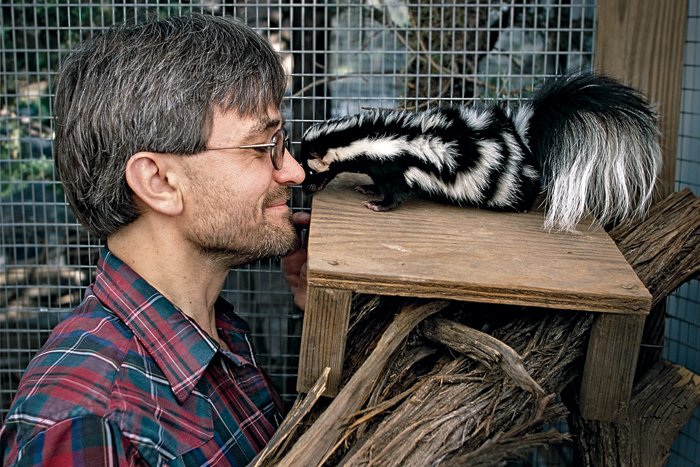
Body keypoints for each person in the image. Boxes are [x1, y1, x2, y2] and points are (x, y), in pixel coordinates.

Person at [0, 13, 309, 466]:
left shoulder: (213, 334)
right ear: (159, 181)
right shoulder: (88, 423)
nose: (294, 171)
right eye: (262, 147)